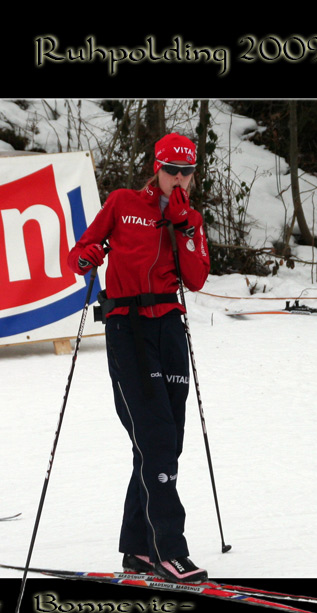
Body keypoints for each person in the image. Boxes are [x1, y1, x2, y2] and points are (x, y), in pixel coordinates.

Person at [67, 132, 211, 583]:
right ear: (157, 168)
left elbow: (198, 277)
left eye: (187, 171)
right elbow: (78, 254)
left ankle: (137, 550)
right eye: (171, 170)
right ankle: (169, 548)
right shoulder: (124, 203)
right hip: (128, 327)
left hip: (169, 328)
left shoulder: (190, 218)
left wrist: (186, 228)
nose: (178, 179)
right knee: (156, 439)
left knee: (164, 444)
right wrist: (88, 255)